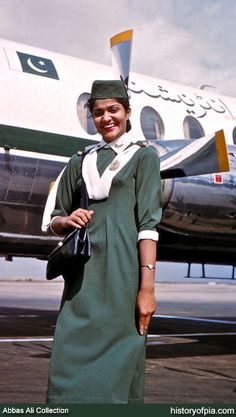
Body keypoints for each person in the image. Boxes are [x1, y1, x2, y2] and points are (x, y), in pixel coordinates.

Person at [46, 79, 162, 404]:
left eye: (113, 110)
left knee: (119, 372)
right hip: (82, 279)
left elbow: (148, 226)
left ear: (127, 112)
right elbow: (55, 218)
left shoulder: (144, 158)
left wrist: (147, 289)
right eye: (98, 113)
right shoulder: (79, 160)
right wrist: (66, 220)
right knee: (68, 365)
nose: (106, 118)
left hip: (124, 278)